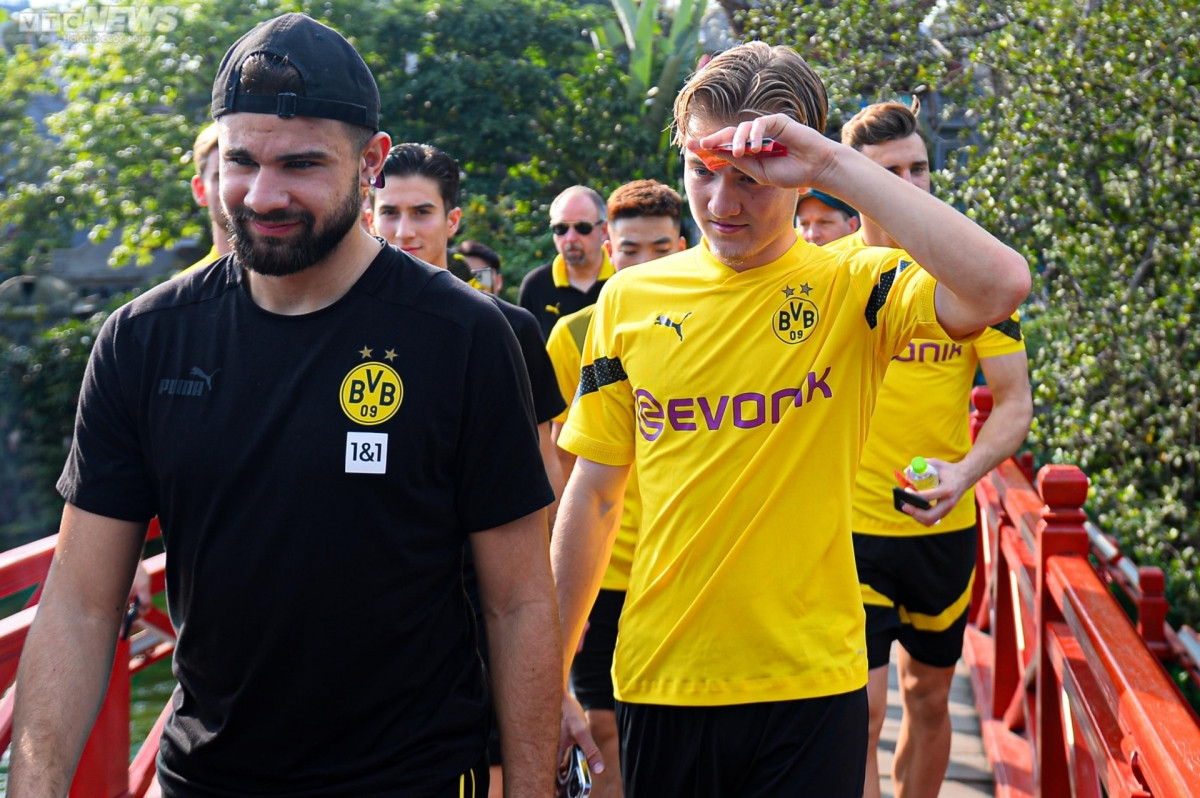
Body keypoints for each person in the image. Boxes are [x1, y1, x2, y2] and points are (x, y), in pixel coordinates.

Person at [10, 13, 559, 798]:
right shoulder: (143, 340)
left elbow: (519, 602)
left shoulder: (464, 337)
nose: (263, 195)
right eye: (241, 161)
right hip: (207, 780)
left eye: (301, 164)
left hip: (413, 781)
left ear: (372, 162)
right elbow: (79, 603)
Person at [550, 41, 1029, 797]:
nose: (721, 203)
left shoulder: (857, 284)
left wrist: (834, 164)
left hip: (812, 679)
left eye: (749, 176)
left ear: (799, 173)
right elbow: (596, 494)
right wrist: (549, 675)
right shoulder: (629, 300)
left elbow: (1000, 284)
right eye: (702, 170)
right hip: (662, 674)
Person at [831, 99, 1032, 798]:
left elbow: (1013, 401)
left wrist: (965, 471)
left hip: (941, 526)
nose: (911, 185)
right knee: (862, 712)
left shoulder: (971, 276)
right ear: (856, 182)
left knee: (928, 698)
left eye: (918, 168)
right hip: (847, 529)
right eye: (891, 173)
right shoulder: (827, 275)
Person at [370, 141, 567, 798]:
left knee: (500, 760)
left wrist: (547, 606)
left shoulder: (506, 329)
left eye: (421, 212)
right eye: (389, 212)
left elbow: (545, 477)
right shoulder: (337, 326)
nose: (404, 230)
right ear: (368, 214)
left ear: (453, 220)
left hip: (489, 596)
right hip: (384, 607)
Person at [543, 179, 686, 798]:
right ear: (608, 249)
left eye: (661, 249)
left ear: (683, 247)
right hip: (604, 569)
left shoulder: (717, 327)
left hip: (683, 567)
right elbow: (560, 468)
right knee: (600, 731)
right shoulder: (574, 336)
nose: (645, 263)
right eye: (630, 250)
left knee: (675, 734)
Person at [517, 185, 614, 339]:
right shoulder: (535, 286)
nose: (570, 238)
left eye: (582, 227)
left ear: (603, 230)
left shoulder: (621, 278)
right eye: (560, 228)